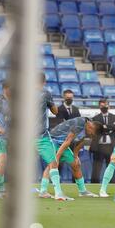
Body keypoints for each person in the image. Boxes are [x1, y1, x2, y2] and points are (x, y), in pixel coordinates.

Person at [42, 117, 103, 198]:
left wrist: (76, 156)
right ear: (90, 127)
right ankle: (43, 191)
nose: (91, 136)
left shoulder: (89, 131)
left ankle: (83, 191)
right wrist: (57, 157)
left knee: (76, 164)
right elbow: (68, 140)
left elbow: (82, 142)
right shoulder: (80, 123)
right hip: (53, 140)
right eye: (92, 134)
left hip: (63, 143)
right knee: (52, 164)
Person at [35, 72, 72, 201]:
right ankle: (58, 193)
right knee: (53, 163)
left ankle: (43, 191)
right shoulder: (45, 94)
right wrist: (52, 104)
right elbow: (55, 111)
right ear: (44, 82)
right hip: (40, 136)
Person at [90, 99, 115, 183]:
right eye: (102, 106)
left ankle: (112, 183)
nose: (104, 107)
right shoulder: (95, 118)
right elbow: (95, 129)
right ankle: (94, 185)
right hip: (98, 146)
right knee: (96, 167)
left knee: (111, 165)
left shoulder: (114, 117)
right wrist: (109, 128)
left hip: (110, 146)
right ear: (99, 107)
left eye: (105, 105)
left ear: (109, 106)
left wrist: (104, 127)